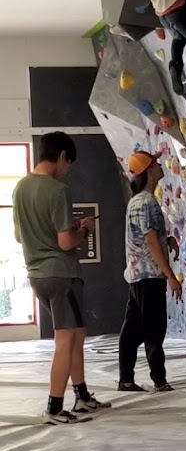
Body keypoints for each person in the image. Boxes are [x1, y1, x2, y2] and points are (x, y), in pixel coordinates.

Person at [12, 132, 111, 426]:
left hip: (37, 275)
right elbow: (66, 242)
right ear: (63, 156)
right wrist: (85, 229)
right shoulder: (58, 190)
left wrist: (67, 227)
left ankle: (82, 396)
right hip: (61, 274)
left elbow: (19, 235)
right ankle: (54, 408)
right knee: (66, 341)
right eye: (69, 163)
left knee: (77, 334)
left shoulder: (20, 188)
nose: (67, 170)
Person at [118, 151, 183, 394]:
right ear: (148, 170)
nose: (160, 165)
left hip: (138, 275)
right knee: (154, 329)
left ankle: (126, 380)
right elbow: (151, 241)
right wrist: (171, 277)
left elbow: (151, 237)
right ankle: (159, 380)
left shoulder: (139, 200)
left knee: (132, 329)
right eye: (155, 162)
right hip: (149, 276)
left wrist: (168, 240)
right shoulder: (145, 202)